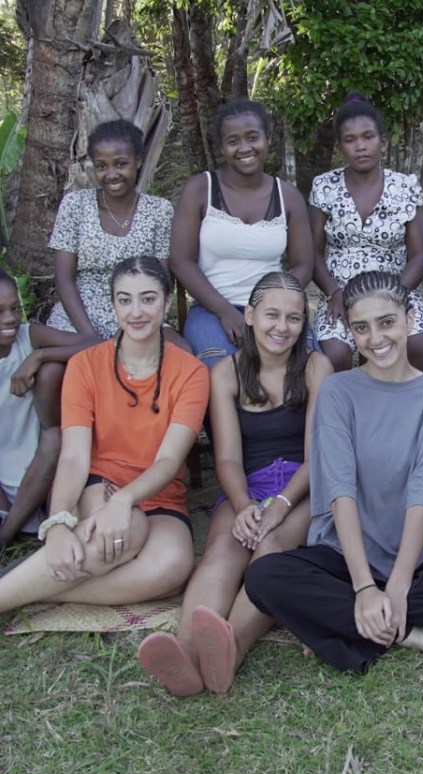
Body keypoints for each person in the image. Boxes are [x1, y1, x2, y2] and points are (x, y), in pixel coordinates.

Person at [244, 271, 423, 673]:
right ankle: (413, 634)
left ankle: (347, 624)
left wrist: (399, 585)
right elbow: (339, 490)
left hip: (420, 553)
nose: (376, 338)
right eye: (361, 328)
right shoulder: (337, 391)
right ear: (349, 331)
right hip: (344, 553)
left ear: (408, 318)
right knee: (264, 576)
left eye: (387, 322)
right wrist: (365, 585)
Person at [138, 272, 332, 695]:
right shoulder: (225, 373)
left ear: (304, 324)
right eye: (272, 315)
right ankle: (187, 653)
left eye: (294, 319)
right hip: (248, 484)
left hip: (306, 485)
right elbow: (226, 456)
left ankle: (233, 646)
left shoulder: (317, 367)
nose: (282, 327)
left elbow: (320, 453)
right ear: (250, 315)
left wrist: (280, 503)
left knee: (270, 549)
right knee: (222, 550)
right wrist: (244, 505)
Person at [0, 257, 208, 613]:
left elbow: (169, 460)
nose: (136, 311)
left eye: (148, 298)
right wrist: (59, 522)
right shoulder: (86, 364)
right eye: (124, 300)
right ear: (113, 304)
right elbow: (74, 455)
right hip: (96, 481)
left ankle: (40, 589)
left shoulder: (191, 372)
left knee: (172, 568)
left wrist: (123, 500)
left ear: (167, 300)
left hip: (159, 494)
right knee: (126, 532)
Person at [171, 99, 314, 367]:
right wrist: (226, 311)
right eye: (233, 141)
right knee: (225, 368)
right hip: (212, 309)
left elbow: (303, 264)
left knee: (310, 368)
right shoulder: (200, 189)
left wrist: (275, 306)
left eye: (252, 137)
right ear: (221, 148)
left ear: (268, 139)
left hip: (275, 308)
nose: (245, 148)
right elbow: (181, 261)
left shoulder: (288, 196)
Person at [309, 92, 423, 373]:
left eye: (368, 137)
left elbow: (420, 254)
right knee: (334, 353)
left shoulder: (404, 187)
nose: (360, 146)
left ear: (383, 141)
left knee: (421, 346)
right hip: (340, 291)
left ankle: (411, 410)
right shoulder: (324, 186)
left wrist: (395, 295)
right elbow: (313, 253)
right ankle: (348, 411)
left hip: (397, 287)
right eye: (350, 140)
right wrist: (333, 292)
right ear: (340, 147)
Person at [47, 120, 174, 339]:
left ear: (138, 161)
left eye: (121, 163)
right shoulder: (75, 204)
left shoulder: (159, 210)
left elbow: (163, 280)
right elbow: (63, 280)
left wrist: (132, 326)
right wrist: (89, 337)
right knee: (52, 372)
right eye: (101, 166)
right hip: (79, 315)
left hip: (139, 312)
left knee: (182, 353)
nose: (111, 174)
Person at [0, 271, 97, 548]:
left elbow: (95, 345)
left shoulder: (28, 336)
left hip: (44, 473)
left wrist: (39, 355)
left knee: (56, 437)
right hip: (3, 487)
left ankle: (5, 536)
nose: (9, 318)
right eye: (0, 311)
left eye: (15, 308)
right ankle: (10, 518)